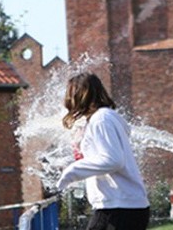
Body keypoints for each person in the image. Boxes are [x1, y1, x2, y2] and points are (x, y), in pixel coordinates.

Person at [56, 73, 150, 230]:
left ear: (80, 95)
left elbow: (113, 160)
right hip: (122, 205)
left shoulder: (101, 120)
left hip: (119, 208)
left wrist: (71, 172)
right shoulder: (105, 118)